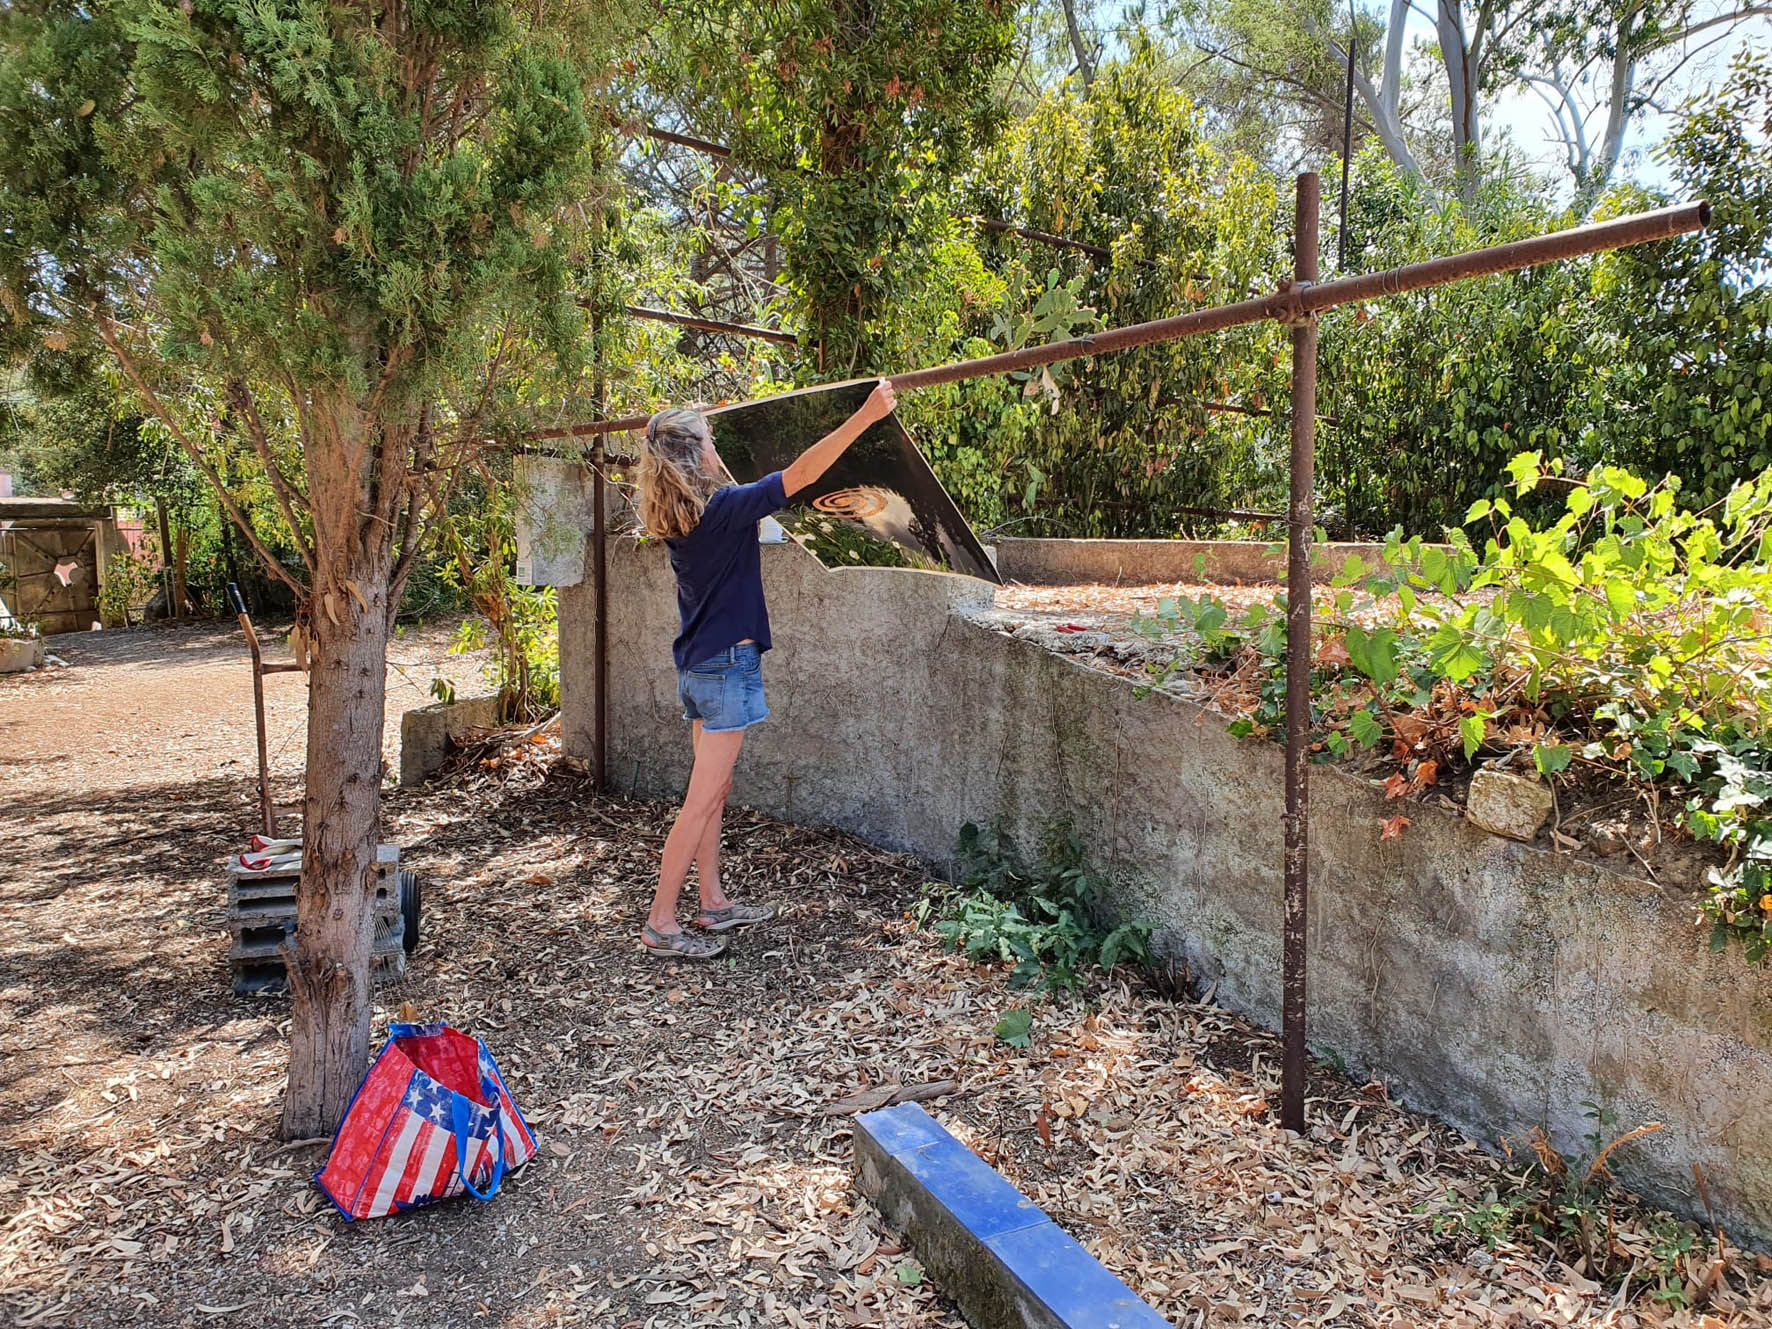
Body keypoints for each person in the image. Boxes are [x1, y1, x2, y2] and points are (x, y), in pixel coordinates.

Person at [634, 380, 898, 960]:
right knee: (700, 801)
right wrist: (866, 416)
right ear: (695, 454)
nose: (716, 446)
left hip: (701, 668)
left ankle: (712, 902)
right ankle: (660, 922)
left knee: (714, 791)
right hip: (726, 669)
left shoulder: (685, 516)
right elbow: (802, 474)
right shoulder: (724, 511)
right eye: (709, 439)